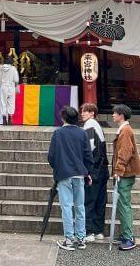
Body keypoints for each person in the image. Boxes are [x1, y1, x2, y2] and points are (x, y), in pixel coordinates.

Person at [47, 105, 93, 252]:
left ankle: (69, 239)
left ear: (64, 118)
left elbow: (52, 157)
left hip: (64, 174)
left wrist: (58, 168)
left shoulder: (58, 133)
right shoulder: (82, 133)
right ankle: (81, 238)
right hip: (79, 173)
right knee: (80, 207)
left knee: (66, 207)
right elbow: (88, 155)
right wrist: (87, 172)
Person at [111, 104, 140, 251]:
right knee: (124, 204)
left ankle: (128, 237)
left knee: (124, 205)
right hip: (127, 172)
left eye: (115, 113)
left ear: (121, 115)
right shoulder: (125, 129)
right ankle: (127, 234)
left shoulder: (125, 130)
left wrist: (118, 170)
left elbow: (125, 152)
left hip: (125, 172)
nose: (113, 115)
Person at [80, 103, 108, 242]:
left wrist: (87, 170)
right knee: (100, 201)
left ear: (92, 113)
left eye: (85, 111)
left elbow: (89, 149)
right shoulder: (97, 125)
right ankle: (98, 230)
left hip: (94, 169)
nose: (82, 113)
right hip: (103, 168)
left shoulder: (89, 125)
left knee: (89, 200)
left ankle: (89, 231)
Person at [0, 56, 19, 126]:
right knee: (11, 103)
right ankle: (10, 120)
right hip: (11, 87)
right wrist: (16, 86)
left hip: (3, 87)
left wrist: (0, 84)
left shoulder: (1, 68)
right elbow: (16, 79)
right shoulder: (13, 68)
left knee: (3, 103)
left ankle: (4, 120)